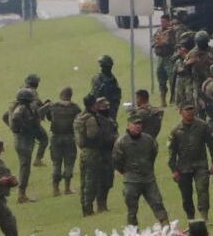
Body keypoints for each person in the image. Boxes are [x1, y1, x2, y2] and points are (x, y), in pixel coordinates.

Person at [167, 101, 213, 223]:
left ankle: (204, 217)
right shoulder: (175, 131)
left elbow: (212, 144)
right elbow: (171, 153)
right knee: (186, 195)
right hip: (183, 167)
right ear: (181, 112)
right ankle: (191, 219)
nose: (189, 112)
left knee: (202, 190)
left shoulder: (203, 126)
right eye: (186, 110)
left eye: (191, 110)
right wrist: (173, 170)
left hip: (200, 165)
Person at [116, 112, 168, 224]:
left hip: (148, 179)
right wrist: (126, 171)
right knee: (132, 209)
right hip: (131, 181)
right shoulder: (122, 142)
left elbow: (153, 154)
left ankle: (166, 229)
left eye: (139, 124)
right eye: (135, 124)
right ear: (128, 125)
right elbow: (116, 160)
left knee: (158, 203)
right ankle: (133, 233)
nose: (138, 126)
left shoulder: (148, 140)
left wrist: (147, 168)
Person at [77, 89, 118, 217]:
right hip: (97, 153)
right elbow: (95, 136)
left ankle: (94, 206)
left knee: (99, 180)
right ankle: (89, 208)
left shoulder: (88, 117)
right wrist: (112, 138)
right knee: (93, 181)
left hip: (98, 153)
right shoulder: (93, 119)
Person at [5, 78, 47, 199]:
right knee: (25, 167)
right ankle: (21, 194)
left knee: (25, 166)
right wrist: (24, 128)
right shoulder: (20, 110)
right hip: (23, 142)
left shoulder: (18, 107)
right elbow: (17, 121)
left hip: (23, 140)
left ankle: (22, 193)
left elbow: (6, 117)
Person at [42, 84, 81, 197]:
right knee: (69, 162)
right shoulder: (75, 108)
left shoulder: (53, 106)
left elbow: (41, 113)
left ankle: (55, 189)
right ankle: (67, 188)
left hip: (56, 137)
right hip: (69, 137)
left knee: (56, 163)